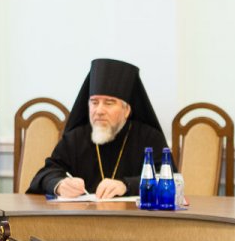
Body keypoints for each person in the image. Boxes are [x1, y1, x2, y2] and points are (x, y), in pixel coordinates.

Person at [27, 58, 170, 199]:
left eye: (109, 103)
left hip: (132, 214)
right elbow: (46, 173)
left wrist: (127, 185)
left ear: (126, 110)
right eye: (94, 102)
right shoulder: (75, 138)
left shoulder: (149, 137)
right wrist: (59, 184)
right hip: (82, 214)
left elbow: (170, 178)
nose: (99, 111)